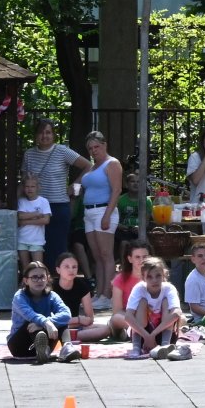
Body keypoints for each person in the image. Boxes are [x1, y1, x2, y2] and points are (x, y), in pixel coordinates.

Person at [22, 118, 88, 267]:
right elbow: (24, 180)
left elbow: (88, 166)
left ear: (53, 135)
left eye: (48, 132)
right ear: (36, 135)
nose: (44, 136)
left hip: (58, 205)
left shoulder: (62, 151)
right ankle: (38, 276)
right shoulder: (29, 154)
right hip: (35, 207)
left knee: (58, 245)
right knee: (35, 245)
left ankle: (59, 277)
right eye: (41, 132)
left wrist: (74, 185)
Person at [78, 131, 123, 305]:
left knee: (106, 254)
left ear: (104, 145)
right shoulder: (92, 166)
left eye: (96, 146)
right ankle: (99, 293)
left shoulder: (112, 163)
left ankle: (108, 295)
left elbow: (117, 190)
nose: (93, 150)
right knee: (96, 256)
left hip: (104, 210)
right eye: (90, 148)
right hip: (89, 212)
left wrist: (107, 215)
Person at [10, 262, 76, 363]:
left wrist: (46, 323)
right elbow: (31, 315)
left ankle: (66, 348)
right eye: (34, 277)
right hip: (19, 346)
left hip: (46, 344)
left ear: (47, 278)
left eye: (42, 277)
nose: (39, 280)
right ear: (26, 280)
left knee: (61, 321)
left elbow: (66, 314)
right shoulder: (19, 297)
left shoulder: (52, 295)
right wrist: (46, 323)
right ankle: (42, 350)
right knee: (31, 322)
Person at [127, 257, 187, 360]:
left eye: (158, 276)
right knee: (142, 302)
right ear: (143, 277)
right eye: (149, 277)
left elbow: (177, 313)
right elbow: (128, 317)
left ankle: (165, 346)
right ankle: (136, 348)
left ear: (164, 275)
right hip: (143, 336)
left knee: (166, 302)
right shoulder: (139, 288)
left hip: (165, 335)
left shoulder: (168, 288)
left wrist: (152, 335)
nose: (154, 280)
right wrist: (147, 336)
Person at [51, 253, 113, 344]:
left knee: (106, 329)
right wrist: (78, 320)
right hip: (57, 327)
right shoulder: (51, 288)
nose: (71, 270)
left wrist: (76, 322)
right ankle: (66, 337)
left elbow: (89, 319)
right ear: (58, 270)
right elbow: (52, 319)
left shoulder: (81, 285)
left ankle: (68, 338)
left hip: (76, 328)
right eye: (66, 267)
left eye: (74, 267)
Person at [15, 174, 50, 272]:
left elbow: (46, 220)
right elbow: (20, 216)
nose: (29, 189)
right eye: (27, 186)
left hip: (37, 240)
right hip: (22, 239)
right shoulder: (21, 201)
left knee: (38, 267)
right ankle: (26, 282)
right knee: (25, 268)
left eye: (32, 186)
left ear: (38, 187)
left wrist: (25, 221)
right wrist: (36, 214)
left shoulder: (43, 201)